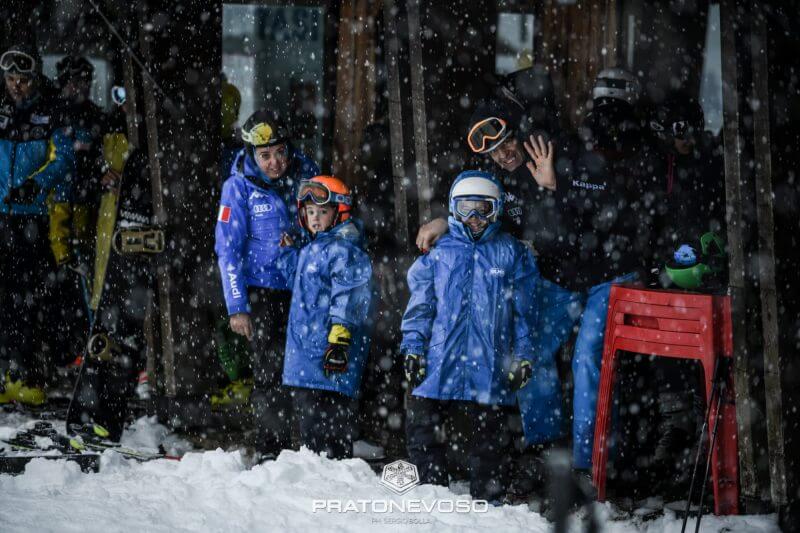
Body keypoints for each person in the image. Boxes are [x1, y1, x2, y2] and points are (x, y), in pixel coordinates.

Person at [416, 68, 661, 480]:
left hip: (607, 277)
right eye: (493, 150)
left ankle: (589, 464)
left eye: (506, 141)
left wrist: (555, 187)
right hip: (558, 281)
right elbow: (479, 214)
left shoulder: (558, 149)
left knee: (588, 359)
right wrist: (445, 221)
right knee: (528, 356)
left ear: (517, 130)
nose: (504, 153)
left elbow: (613, 211)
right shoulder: (496, 177)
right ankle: (545, 448)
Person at [400, 170, 551, 502]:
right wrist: (413, 346)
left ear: (495, 210)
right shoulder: (440, 252)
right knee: (423, 426)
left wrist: (524, 355)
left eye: (482, 209)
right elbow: (421, 305)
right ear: (453, 209)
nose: (474, 218)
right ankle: (430, 492)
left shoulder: (512, 253)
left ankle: (490, 499)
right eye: (466, 208)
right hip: (439, 359)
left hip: (489, 363)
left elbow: (525, 313)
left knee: (492, 439)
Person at [214, 109, 319, 457]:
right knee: (271, 373)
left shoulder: (308, 176)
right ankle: (271, 451)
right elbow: (227, 250)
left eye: (279, 152)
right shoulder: (238, 187)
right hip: (264, 292)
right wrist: (238, 307)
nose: (274, 162)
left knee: (310, 368)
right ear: (251, 155)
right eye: (264, 156)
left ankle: (311, 450)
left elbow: (327, 226)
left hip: (305, 288)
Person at [0, 43, 76, 404]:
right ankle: (5, 375)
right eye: (11, 79)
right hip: (0, 215)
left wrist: (35, 185)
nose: (17, 86)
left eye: (23, 79)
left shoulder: (51, 111)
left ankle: (28, 374)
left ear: (35, 79)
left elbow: (63, 160)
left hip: (31, 217)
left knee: (31, 300)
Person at [277, 175, 372, 459]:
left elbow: (349, 297)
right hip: (306, 355)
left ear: (338, 212)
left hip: (330, 354)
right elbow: (298, 281)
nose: (315, 218)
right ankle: (315, 477)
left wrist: (340, 339)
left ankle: (335, 474)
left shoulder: (345, 251)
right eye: (310, 212)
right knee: (310, 430)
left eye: (322, 211)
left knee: (331, 425)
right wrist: (286, 255)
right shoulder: (311, 249)